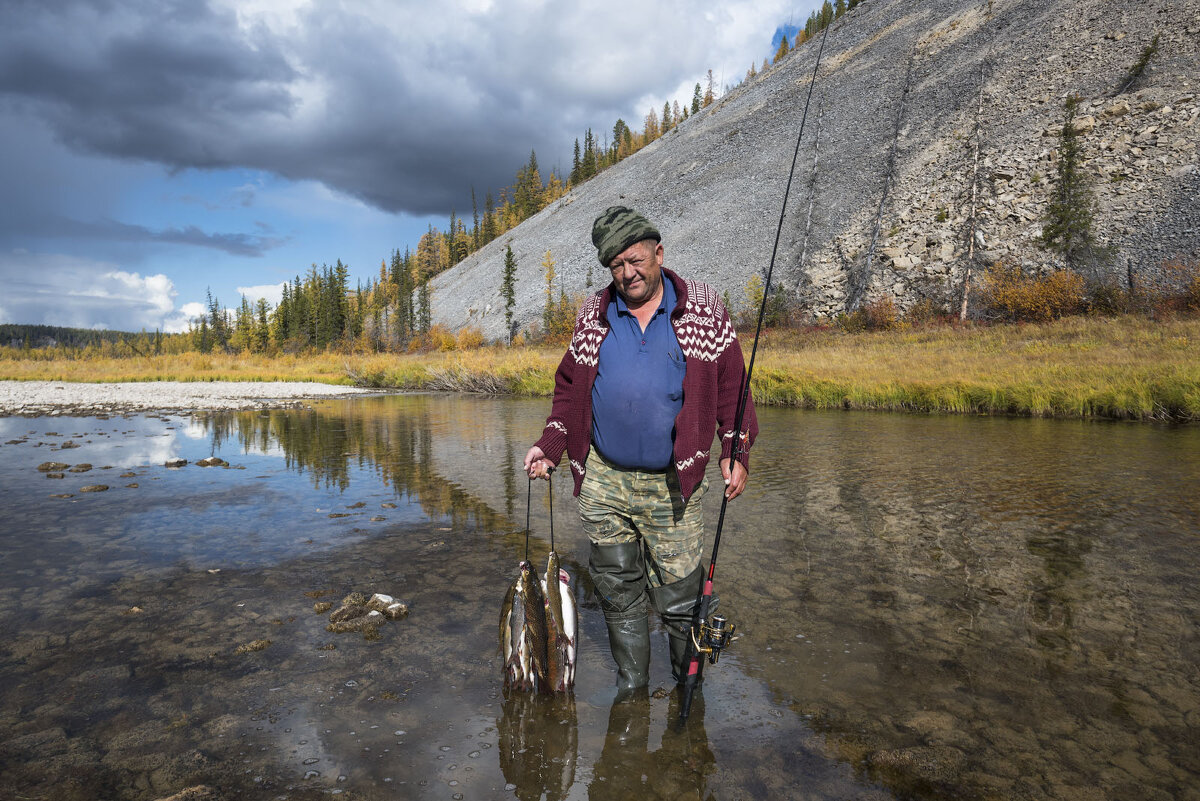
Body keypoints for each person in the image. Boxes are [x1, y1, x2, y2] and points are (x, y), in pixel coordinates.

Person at [524, 205, 757, 696]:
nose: (628, 273)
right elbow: (568, 390)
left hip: (673, 480)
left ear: (658, 253)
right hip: (604, 480)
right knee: (616, 588)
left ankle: (685, 691)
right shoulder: (594, 313)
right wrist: (550, 447)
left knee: (679, 597)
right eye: (616, 265)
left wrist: (735, 451)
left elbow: (734, 389)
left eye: (635, 260)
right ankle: (631, 690)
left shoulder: (704, 308)